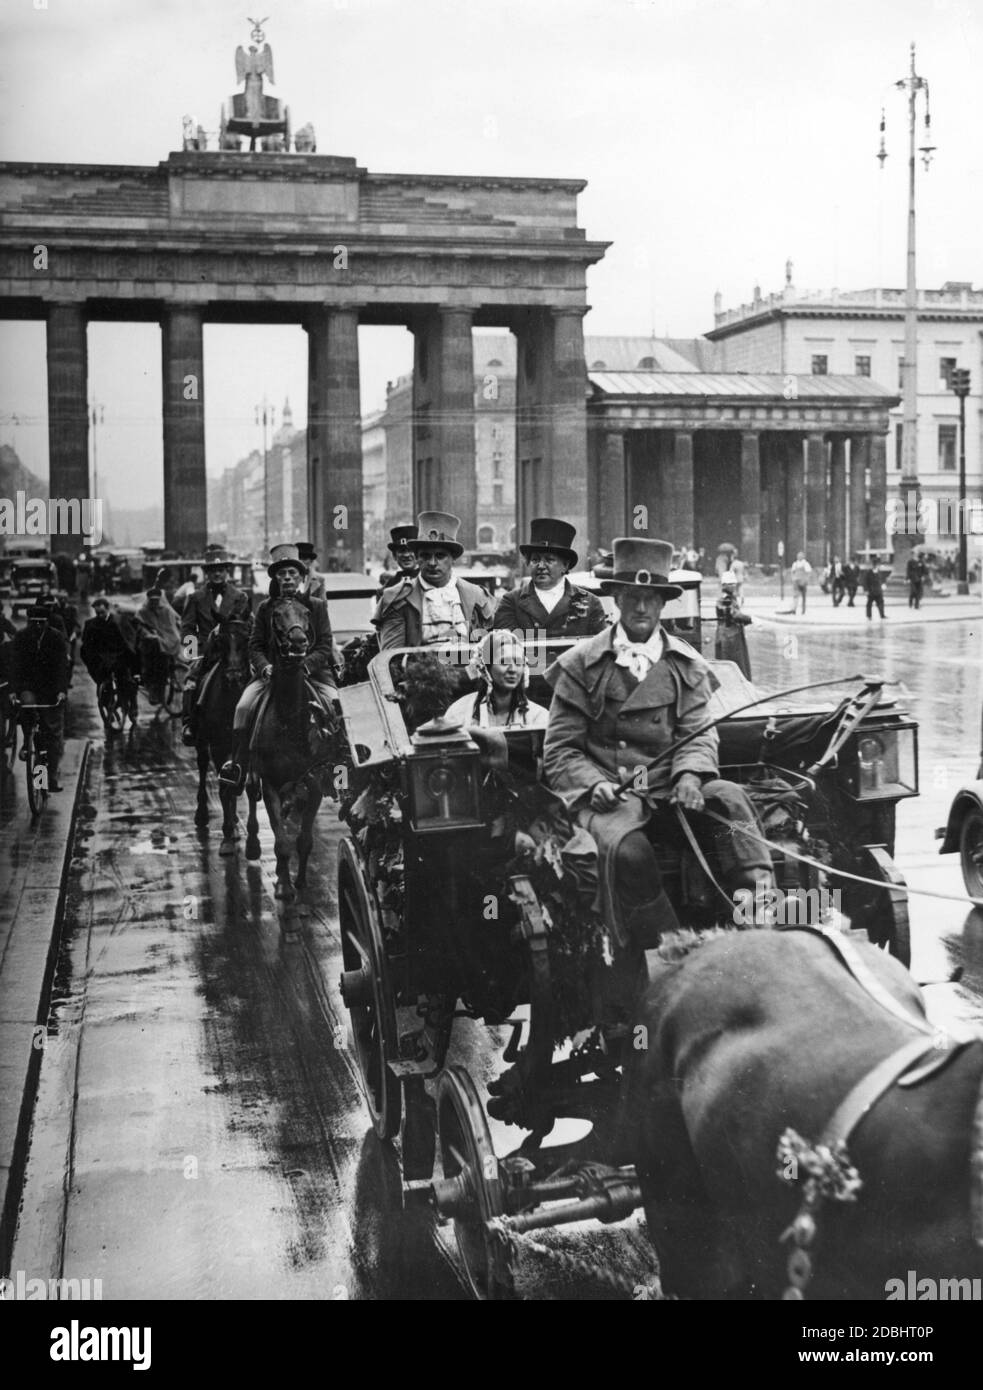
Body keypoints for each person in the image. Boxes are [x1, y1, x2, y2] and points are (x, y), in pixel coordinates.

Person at [543, 537, 776, 952]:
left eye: (651, 597)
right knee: (631, 855)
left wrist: (689, 773)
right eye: (632, 596)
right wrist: (592, 784)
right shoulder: (580, 665)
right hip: (611, 798)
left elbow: (699, 731)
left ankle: (759, 922)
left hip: (671, 788)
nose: (641, 608)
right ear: (615, 597)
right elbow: (560, 750)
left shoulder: (684, 665)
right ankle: (671, 951)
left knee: (730, 799)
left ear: (663, 603)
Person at [220, 544, 339, 789]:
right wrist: (265, 668)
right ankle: (239, 766)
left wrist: (306, 666)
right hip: (272, 676)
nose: (287, 578)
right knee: (242, 707)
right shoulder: (265, 608)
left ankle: (340, 766)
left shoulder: (316, 605)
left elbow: (325, 643)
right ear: (275, 577)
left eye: (292, 573)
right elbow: (255, 645)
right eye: (282, 573)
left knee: (337, 705)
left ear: (301, 576)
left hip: (313, 674)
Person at [374, 511, 495, 652]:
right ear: (418, 558)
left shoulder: (477, 596)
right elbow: (392, 658)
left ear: (453, 558)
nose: (432, 563)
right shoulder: (397, 599)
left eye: (440, 555)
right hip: (418, 672)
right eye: (425, 556)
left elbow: (493, 650)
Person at [492, 517, 608, 642]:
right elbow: (506, 650)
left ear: (565, 565)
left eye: (549, 560)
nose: (541, 566)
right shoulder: (511, 602)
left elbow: (600, 650)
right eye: (535, 560)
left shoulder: (590, 602)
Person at [180, 547, 252, 744]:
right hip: (206, 653)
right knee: (190, 683)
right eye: (213, 570)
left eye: (221, 569)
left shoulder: (240, 597)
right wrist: (193, 654)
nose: (217, 574)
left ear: (227, 571)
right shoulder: (195, 598)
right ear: (207, 573)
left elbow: (248, 625)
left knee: (257, 681)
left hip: (234, 651)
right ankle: (189, 723)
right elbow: (187, 628)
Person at [9, 604, 70, 790]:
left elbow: (62, 666)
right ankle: (28, 741)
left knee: (52, 737)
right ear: (29, 621)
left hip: (51, 689)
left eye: (41, 623)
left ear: (47, 622)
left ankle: (49, 779)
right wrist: (13, 690)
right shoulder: (21, 637)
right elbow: (14, 665)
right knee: (27, 707)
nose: (37, 626)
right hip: (29, 687)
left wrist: (62, 690)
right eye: (33, 622)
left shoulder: (56, 638)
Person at [444, 630, 550, 730]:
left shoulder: (538, 717)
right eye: (504, 662)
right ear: (486, 668)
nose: (512, 669)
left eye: (518, 662)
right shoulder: (459, 713)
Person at [80, 597, 140, 721]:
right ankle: (107, 707)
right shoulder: (91, 624)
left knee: (128, 681)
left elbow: (129, 639)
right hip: (102, 659)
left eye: (102, 612)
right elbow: (87, 645)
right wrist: (92, 660)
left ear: (108, 609)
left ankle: (133, 704)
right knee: (102, 684)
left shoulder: (119, 621)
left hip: (119, 656)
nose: (100, 615)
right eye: (97, 613)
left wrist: (129, 656)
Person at [714, 570, 752, 678]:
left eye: (734, 583)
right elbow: (734, 615)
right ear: (724, 585)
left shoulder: (730, 598)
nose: (734, 586)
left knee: (736, 667)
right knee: (733, 668)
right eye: (731, 584)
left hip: (731, 637)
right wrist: (751, 619)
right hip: (729, 639)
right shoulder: (724, 600)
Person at [376, 525, 420, 595]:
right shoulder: (388, 587)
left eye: (411, 550)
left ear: (418, 553)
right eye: (402, 551)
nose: (406, 555)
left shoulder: (426, 580)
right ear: (394, 556)